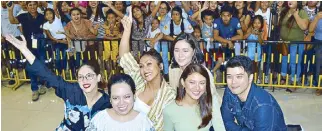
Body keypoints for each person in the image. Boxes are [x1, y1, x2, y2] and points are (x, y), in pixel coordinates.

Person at [5, 34, 112, 130]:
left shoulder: (108, 102)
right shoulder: (70, 90)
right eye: (81, 77)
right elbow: (46, 74)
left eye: (89, 76)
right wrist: (24, 50)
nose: (85, 80)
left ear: (98, 77)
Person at [118, 12, 176, 131]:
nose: (144, 69)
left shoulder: (169, 95)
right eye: (141, 66)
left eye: (149, 64)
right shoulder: (138, 80)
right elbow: (125, 57)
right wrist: (127, 31)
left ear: (160, 66)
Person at [168, 32, 225, 130]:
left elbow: (213, 103)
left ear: (193, 51)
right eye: (176, 50)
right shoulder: (173, 70)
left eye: (185, 51)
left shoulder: (203, 72)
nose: (180, 55)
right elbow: (175, 96)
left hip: (205, 118)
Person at [221, 55, 287, 131]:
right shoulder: (229, 92)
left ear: (250, 78)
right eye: (229, 77)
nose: (233, 82)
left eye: (239, 77)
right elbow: (226, 121)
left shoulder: (263, 106)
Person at [8, 1, 47, 101]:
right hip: (28, 46)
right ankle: (34, 89)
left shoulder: (42, 17)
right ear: (27, 6)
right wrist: (10, 9)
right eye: (30, 5)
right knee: (31, 67)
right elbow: (12, 21)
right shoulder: (23, 16)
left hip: (41, 45)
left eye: (34, 4)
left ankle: (41, 84)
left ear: (37, 6)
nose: (33, 7)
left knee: (42, 65)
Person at [88, 74, 154, 131]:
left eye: (127, 97)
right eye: (115, 98)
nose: (121, 103)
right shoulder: (100, 120)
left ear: (134, 96)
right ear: (110, 98)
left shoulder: (144, 122)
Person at [163, 64, 217, 131]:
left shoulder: (210, 104)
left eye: (202, 83)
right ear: (183, 82)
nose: (197, 88)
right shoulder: (169, 110)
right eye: (192, 82)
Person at [43, 8, 68, 75]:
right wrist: (59, 41)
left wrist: (65, 41)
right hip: (56, 43)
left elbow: (55, 8)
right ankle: (59, 72)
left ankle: (64, 72)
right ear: (45, 16)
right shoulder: (45, 25)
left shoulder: (58, 19)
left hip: (65, 41)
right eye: (47, 14)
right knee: (57, 58)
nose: (49, 16)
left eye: (50, 13)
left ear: (53, 14)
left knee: (65, 57)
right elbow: (50, 36)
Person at [308, 3, 322, 95]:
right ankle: (319, 86)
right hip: (318, 42)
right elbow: (310, 29)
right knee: (318, 65)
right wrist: (317, 18)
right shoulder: (318, 15)